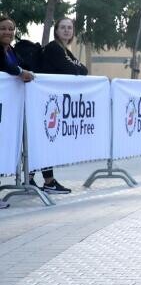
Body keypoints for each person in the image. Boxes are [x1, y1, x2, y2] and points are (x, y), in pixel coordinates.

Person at [31, 17, 88, 194]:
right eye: (62, 27)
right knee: (43, 141)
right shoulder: (54, 48)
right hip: (43, 101)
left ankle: (35, 179)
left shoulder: (64, 50)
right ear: (56, 30)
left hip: (50, 102)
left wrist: (76, 66)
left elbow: (83, 70)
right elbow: (74, 69)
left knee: (43, 141)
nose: (66, 30)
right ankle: (46, 181)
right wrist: (76, 66)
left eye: (69, 28)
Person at [0, 16, 35, 209]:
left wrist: (27, 71)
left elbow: (25, 66)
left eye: (10, 29)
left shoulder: (11, 50)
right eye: (3, 28)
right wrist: (21, 73)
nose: (7, 32)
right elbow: (7, 67)